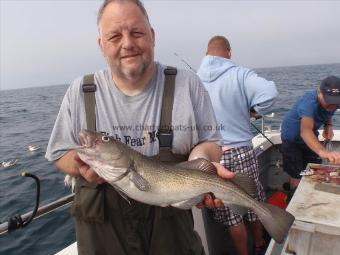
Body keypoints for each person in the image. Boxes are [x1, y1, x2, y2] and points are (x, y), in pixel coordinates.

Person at [45, 1, 234, 255]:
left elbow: (211, 141)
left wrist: (201, 164)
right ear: (101, 45)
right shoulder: (80, 92)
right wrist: (79, 165)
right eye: (114, 36)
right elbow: (59, 153)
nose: (128, 44)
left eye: (136, 33)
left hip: (174, 237)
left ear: (152, 36)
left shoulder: (187, 84)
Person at [197, 35, 278, 255]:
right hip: (242, 151)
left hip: (214, 157)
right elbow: (269, 93)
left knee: (231, 214)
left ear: (206, 54)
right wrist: (253, 109)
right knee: (252, 200)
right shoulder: (239, 74)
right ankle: (260, 244)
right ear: (229, 53)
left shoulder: (194, 80)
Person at [281, 75, 340, 190]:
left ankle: (309, 192)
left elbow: (329, 112)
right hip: (292, 137)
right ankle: (293, 196)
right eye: (328, 101)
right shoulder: (308, 102)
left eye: (335, 102)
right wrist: (323, 152)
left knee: (313, 169)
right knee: (297, 173)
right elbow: (305, 131)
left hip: (312, 136)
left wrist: (328, 125)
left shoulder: (333, 102)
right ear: (319, 92)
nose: (332, 106)